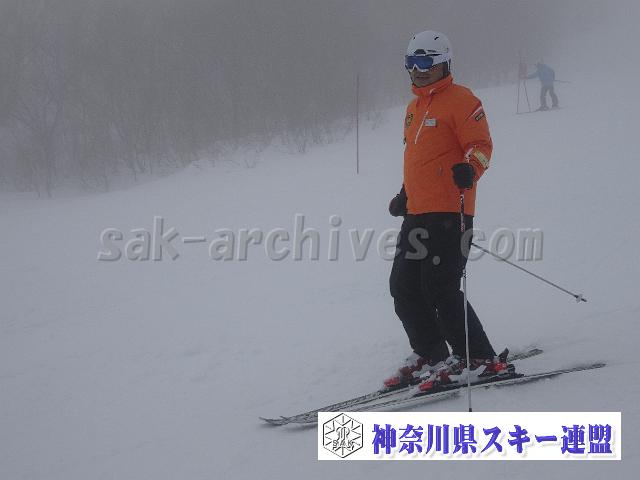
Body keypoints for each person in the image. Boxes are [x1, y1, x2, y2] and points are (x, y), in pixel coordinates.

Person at [384, 30, 508, 392]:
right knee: (404, 286)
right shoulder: (413, 109)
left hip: (451, 211)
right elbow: (422, 159)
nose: (418, 70)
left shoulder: (462, 100)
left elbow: (481, 145)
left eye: (426, 62)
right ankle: (432, 353)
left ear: (444, 64)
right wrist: (405, 194)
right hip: (418, 213)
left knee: (440, 287)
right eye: (412, 63)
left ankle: (479, 357)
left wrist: (471, 167)